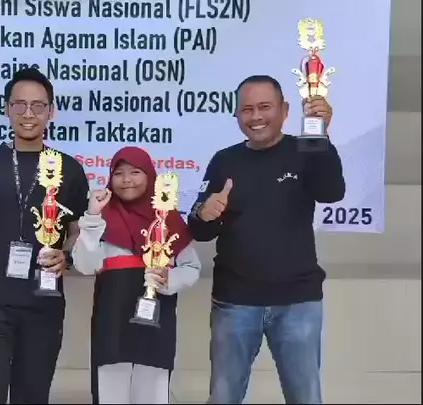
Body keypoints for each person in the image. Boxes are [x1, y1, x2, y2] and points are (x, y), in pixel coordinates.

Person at [187, 75, 345, 404]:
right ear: (236, 115)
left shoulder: (306, 150)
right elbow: (200, 230)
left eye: (264, 107)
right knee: (224, 397)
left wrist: (321, 134)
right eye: (247, 109)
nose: (256, 117)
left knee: (305, 397)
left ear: (284, 110)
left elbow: (331, 192)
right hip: (234, 302)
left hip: (297, 302)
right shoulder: (224, 160)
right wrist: (205, 212)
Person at [0, 68, 90, 404]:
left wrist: (67, 255)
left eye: (38, 106)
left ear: (51, 111)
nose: (28, 114)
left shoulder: (69, 169)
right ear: (7, 108)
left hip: (43, 301)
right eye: (20, 105)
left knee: (33, 395)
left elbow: (78, 232)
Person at [72, 146, 202, 404]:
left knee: (152, 390)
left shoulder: (168, 219)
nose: (126, 180)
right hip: (112, 324)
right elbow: (85, 266)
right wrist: (92, 217)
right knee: (110, 390)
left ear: (150, 175)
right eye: (119, 173)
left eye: (135, 172)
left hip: (156, 322)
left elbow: (191, 267)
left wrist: (169, 280)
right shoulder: (101, 217)